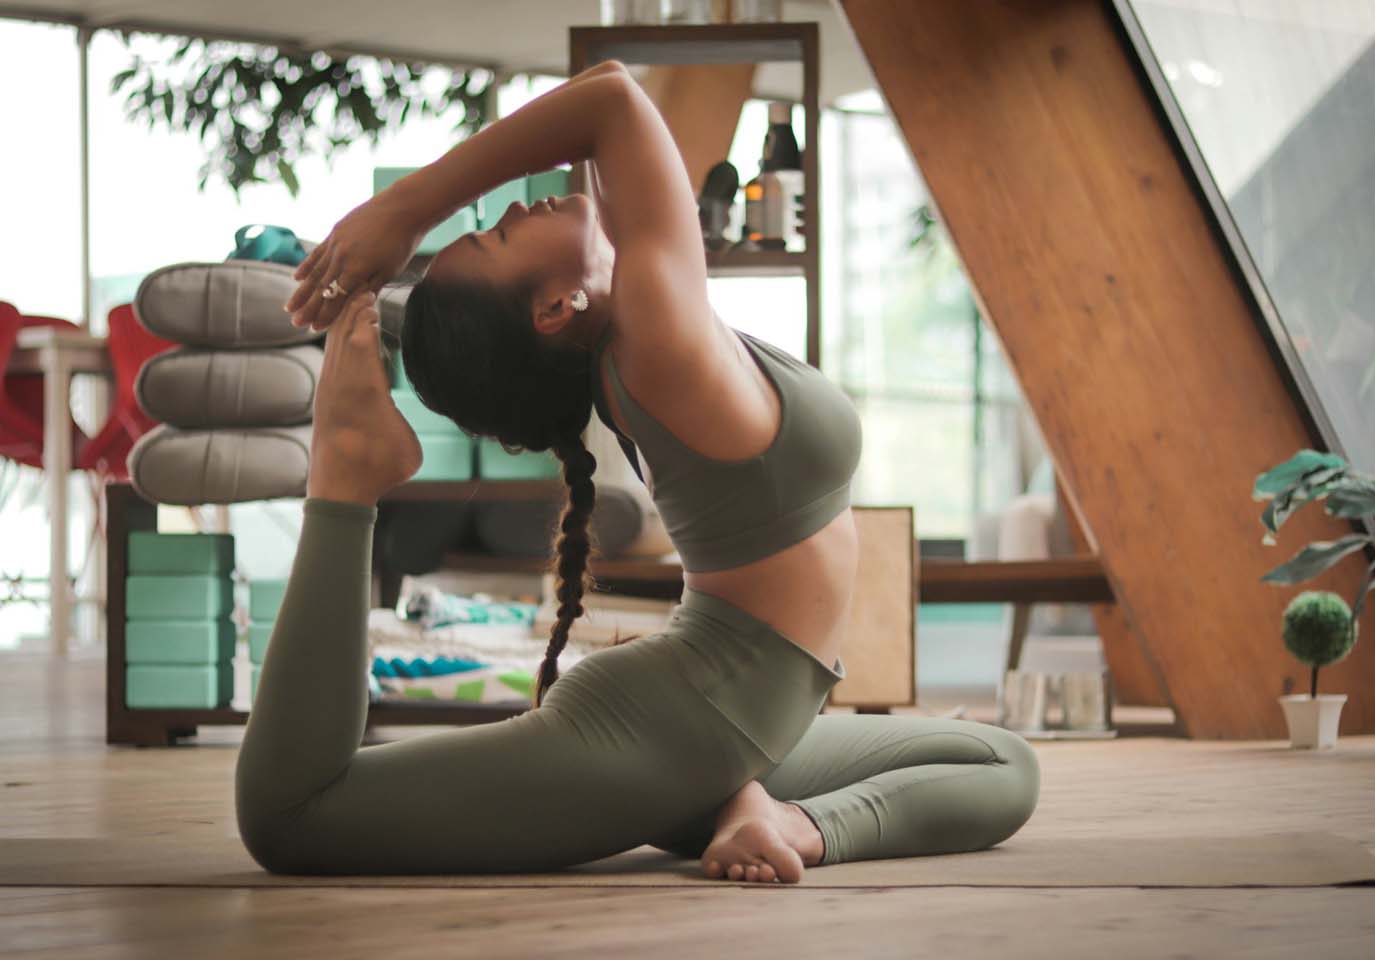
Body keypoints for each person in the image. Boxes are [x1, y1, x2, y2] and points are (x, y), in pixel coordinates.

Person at [235, 61, 1039, 883]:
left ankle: (765, 814)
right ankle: (345, 468)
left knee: (1002, 763)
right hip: (666, 728)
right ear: (554, 311)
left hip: (724, 726)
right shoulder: (657, 339)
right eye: (502, 237)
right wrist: (402, 213)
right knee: (293, 817)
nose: (515, 206)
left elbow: (600, 147)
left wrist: (380, 281)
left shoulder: (634, 337)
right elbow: (613, 98)